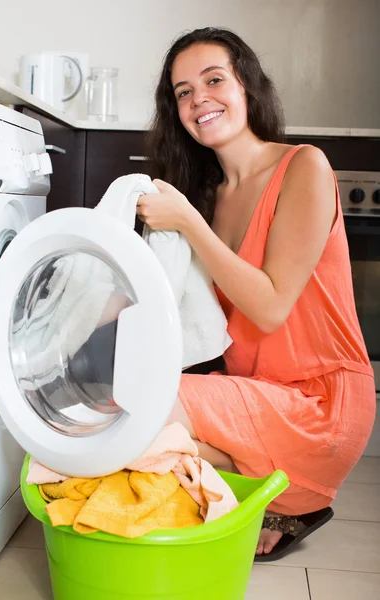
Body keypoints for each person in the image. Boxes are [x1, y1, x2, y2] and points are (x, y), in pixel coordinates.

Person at [136, 27, 376, 561]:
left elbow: (269, 307)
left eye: (213, 79)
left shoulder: (303, 167)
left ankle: (278, 496)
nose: (199, 99)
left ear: (247, 87)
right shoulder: (207, 195)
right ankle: (274, 499)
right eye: (182, 92)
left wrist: (189, 225)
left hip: (321, 407)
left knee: (145, 409)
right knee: (134, 410)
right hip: (254, 397)